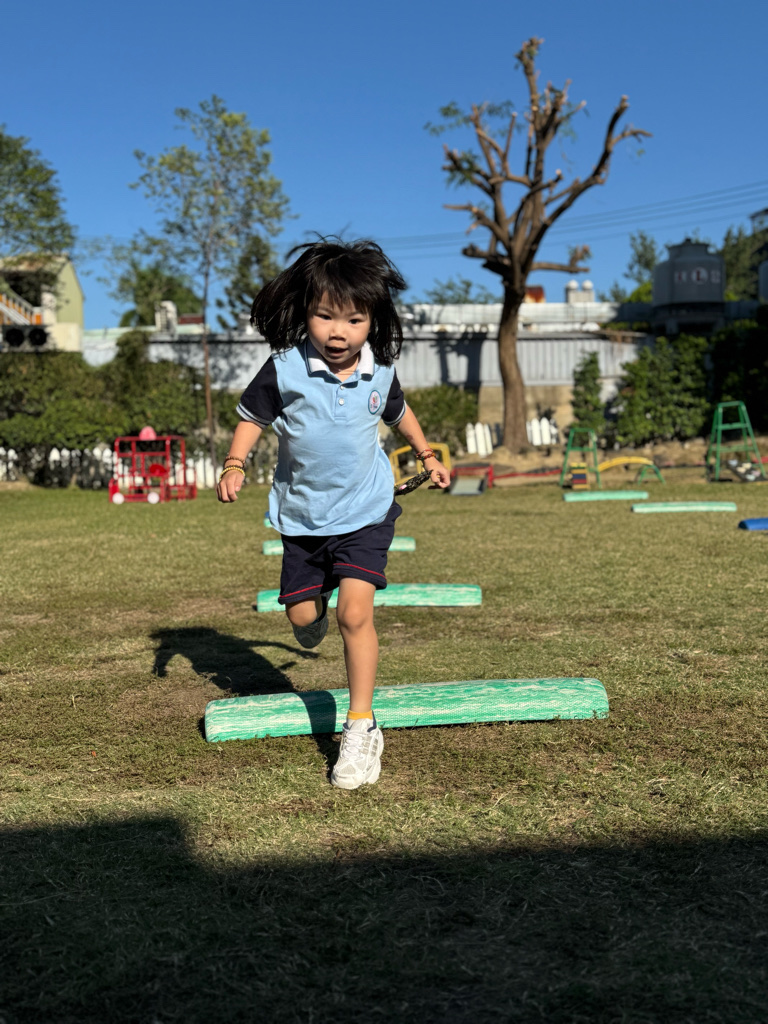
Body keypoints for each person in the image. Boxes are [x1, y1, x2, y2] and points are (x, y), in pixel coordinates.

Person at [217, 238, 451, 790]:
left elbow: (401, 414)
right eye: (325, 316)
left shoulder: (380, 371)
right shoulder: (285, 368)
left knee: (355, 614)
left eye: (353, 320)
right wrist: (234, 462)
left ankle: (361, 726)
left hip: (367, 512)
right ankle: (313, 603)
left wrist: (427, 455)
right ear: (306, 313)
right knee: (304, 619)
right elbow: (252, 419)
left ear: (373, 320)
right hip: (302, 518)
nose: (338, 332)